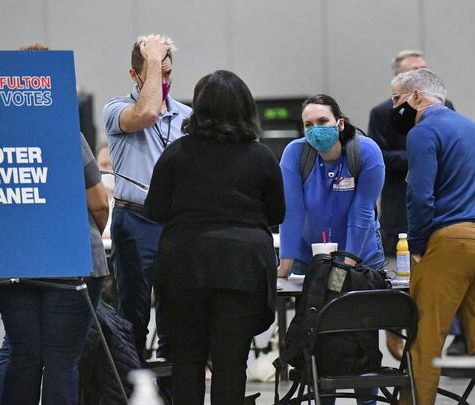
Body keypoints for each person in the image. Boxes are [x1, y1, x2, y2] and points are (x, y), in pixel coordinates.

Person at [145, 70, 285, 405]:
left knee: (187, 361)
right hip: (242, 269)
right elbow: (277, 214)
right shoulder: (261, 156)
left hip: (184, 266)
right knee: (230, 363)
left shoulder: (176, 154)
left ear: (199, 108)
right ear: (245, 108)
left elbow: (154, 210)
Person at [0, 43, 110, 405]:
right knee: (61, 360)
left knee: (23, 355)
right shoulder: (66, 137)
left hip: (11, 260)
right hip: (70, 261)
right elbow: (100, 203)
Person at [390, 68, 475, 405]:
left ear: (417, 96)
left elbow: (420, 196)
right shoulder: (471, 127)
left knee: (425, 341)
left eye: (397, 99)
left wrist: (420, 246)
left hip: (452, 241)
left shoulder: (423, 131)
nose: (395, 108)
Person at [278, 94, 385, 405]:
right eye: (307, 125)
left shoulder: (366, 152)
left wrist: (346, 265)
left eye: (322, 122)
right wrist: (285, 264)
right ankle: (324, 399)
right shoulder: (295, 154)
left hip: (362, 259)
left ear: (340, 123)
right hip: (312, 261)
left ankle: (367, 399)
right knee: (319, 336)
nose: (315, 130)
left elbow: (363, 211)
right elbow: (292, 211)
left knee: (361, 333)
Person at [102, 34, 191, 364]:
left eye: (168, 74)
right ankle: (129, 386)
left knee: (177, 314)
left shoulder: (187, 116)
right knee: (134, 315)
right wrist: (152, 60)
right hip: (135, 220)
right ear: (134, 75)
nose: (163, 81)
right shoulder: (116, 109)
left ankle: (172, 393)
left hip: (176, 223)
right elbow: (148, 113)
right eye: (156, 73)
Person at [368, 50, 455, 257]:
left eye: (424, 69)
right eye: (415, 70)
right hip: (398, 206)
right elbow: (379, 157)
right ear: (399, 78)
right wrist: (419, 156)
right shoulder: (383, 112)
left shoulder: (445, 106)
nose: (422, 73)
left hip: (439, 204)